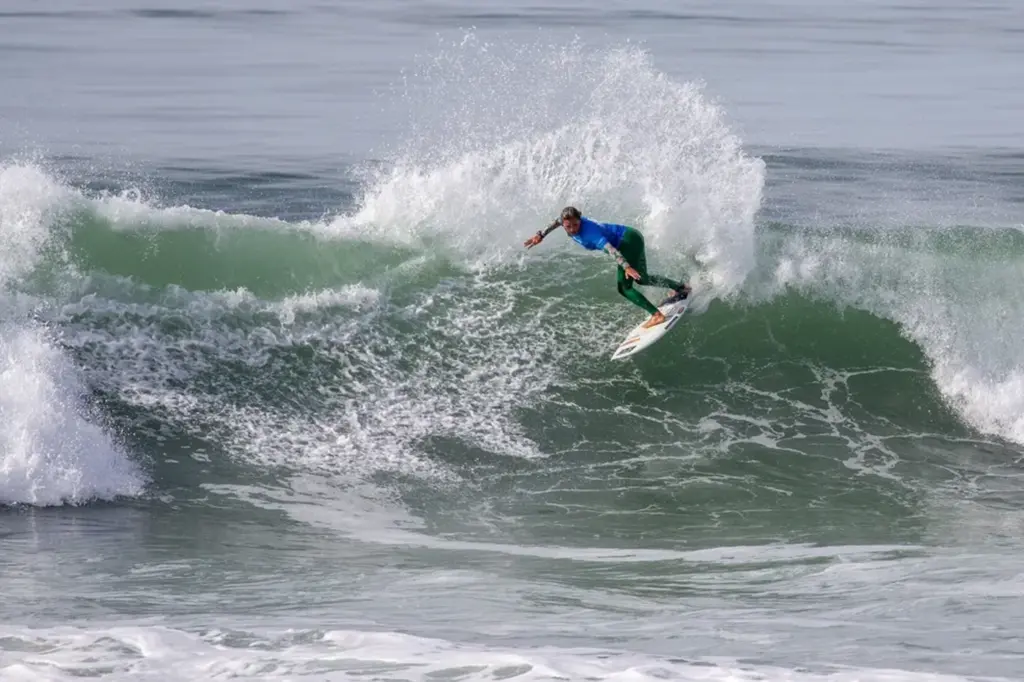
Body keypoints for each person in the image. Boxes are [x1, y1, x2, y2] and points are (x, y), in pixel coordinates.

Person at [524, 206, 690, 328]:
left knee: (624, 288)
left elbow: (611, 249)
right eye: (569, 226)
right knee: (643, 279)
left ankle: (656, 315)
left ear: (580, 220)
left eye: (576, 225)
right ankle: (680, 287)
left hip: (627, 244)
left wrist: (626, 266)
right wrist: (541, 235)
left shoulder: (590, 233)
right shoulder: (565, 221)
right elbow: (556, 222)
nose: (573, 229)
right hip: (632, 235)